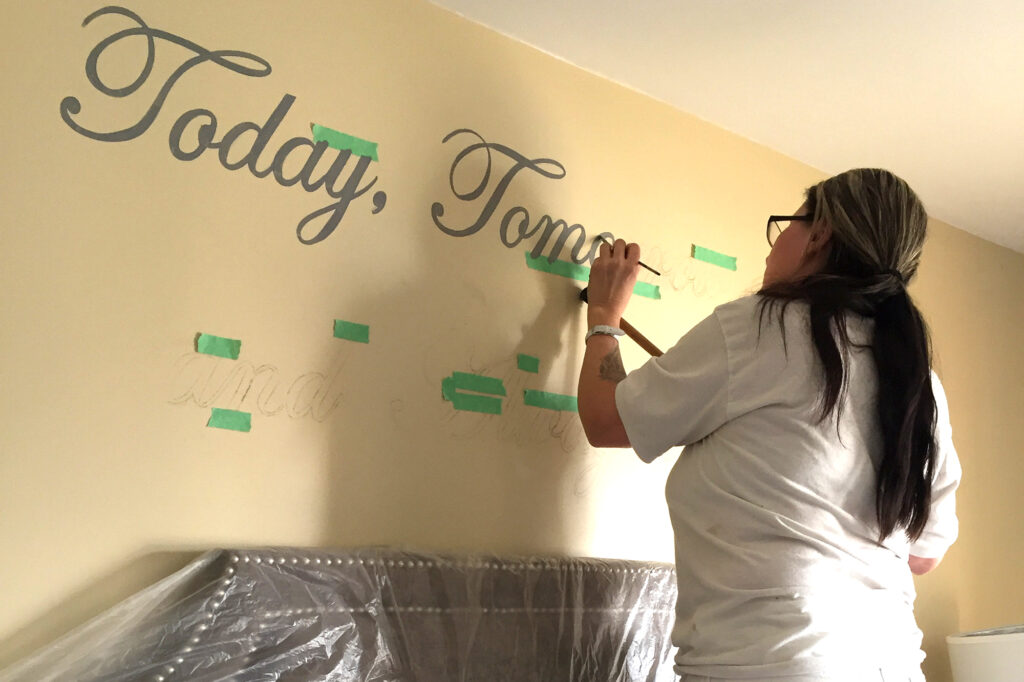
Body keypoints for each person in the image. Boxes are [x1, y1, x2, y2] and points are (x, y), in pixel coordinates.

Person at [577, 168, 961, 682]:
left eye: (787, 225)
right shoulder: (919, 383)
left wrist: (604, 315)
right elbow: (923, 556)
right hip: (891, 663)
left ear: (820, 234)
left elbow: (604, 419)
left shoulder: (762, 326)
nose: (771, 247)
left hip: (773, 664)